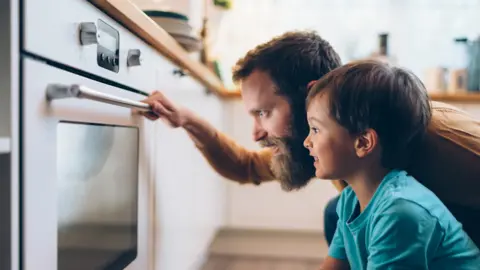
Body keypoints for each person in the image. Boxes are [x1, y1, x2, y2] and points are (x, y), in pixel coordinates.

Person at [139, 31, 480, 247]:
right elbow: (244, 167)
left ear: (310, 94)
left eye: (264, 113)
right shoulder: (328, 140)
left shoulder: (430, 138)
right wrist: (187, 120)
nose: (257, 133)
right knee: (342, 213)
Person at [304, 60, 480, 269]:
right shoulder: (350, 200)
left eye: (315, 130)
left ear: (363, 143)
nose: (307, 142)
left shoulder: (399, 212)